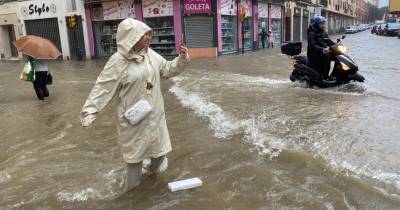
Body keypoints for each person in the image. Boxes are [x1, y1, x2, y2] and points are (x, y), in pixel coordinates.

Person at [79, 18, 190, 191]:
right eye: (143, 34)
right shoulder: (118, 61)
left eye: (148, 34)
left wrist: (181, 59)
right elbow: (103, 87)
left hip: (155, 116)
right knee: (134, 161)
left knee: (159, 155)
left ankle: (150, 177)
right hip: (133, 121)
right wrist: (89, 111)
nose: (148, 37)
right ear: (131, 37)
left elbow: (167, 69)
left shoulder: (150, 55)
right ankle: (132, 197)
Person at [307, 16, 336, 80]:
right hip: (314, 53)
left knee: (336, 56)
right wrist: (321, 49)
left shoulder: (323, 31)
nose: (323, 25)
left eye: (324, 23)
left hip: (323, 51)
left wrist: (336, 44)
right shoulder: (312, 32)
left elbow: (328, 40)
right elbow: (312, 44)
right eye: (321, 24)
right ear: (317, 24)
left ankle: (336, 75)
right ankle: (325, 76)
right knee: (327, 57)